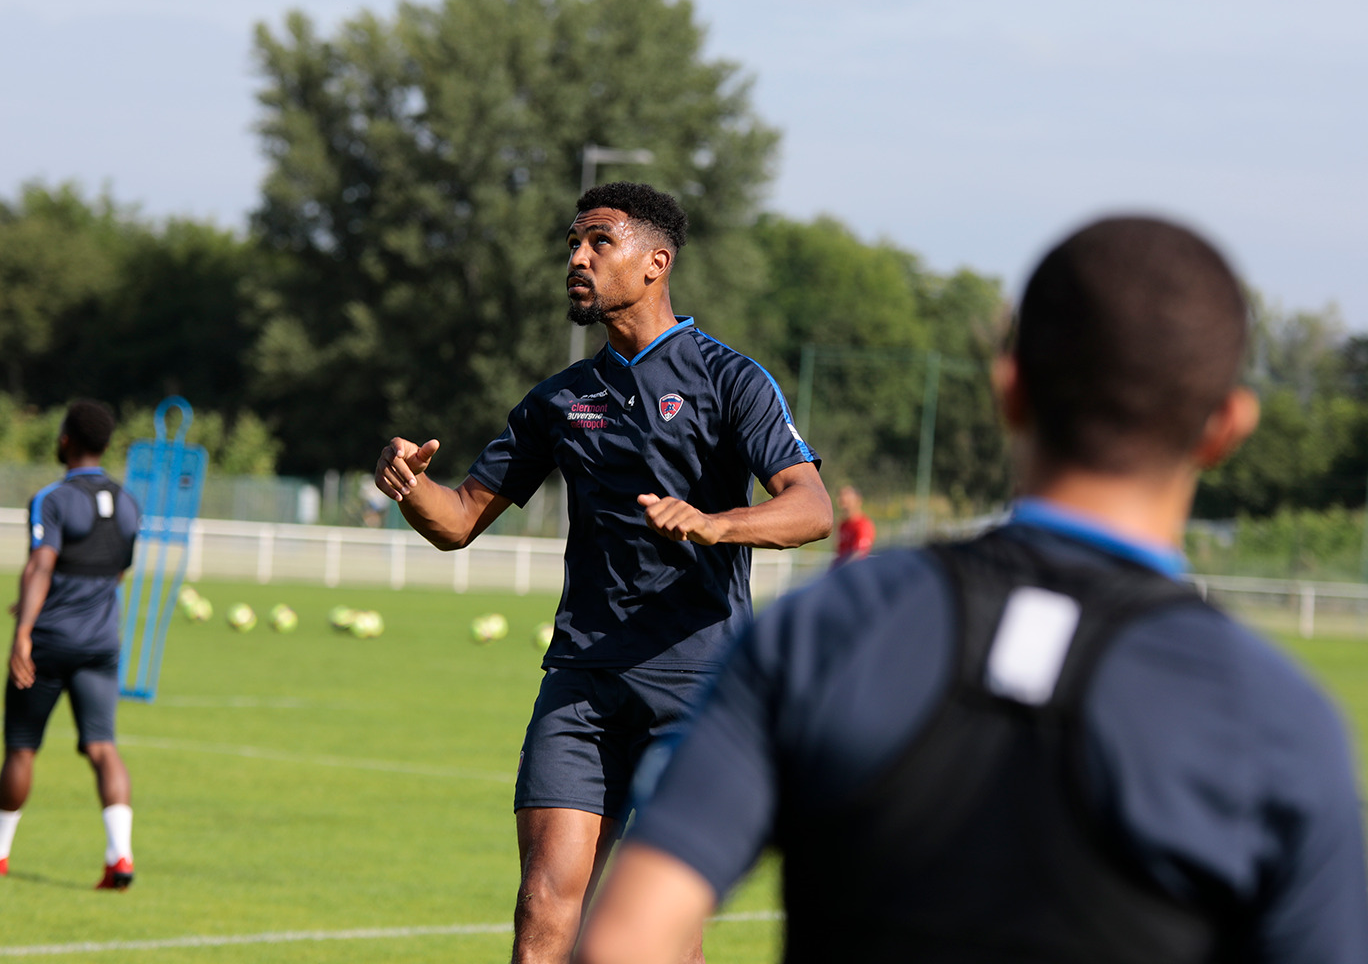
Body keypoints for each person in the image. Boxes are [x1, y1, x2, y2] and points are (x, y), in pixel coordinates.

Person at [578, 216, 1368, 964]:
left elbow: (628, 938)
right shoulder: (1278, 721)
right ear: (1225, 429)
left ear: (1009, 391)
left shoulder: (828, 629)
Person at [374, 182, 833, 964]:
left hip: (695, 687)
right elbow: (458, 523)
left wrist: (716, 522)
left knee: (652, 936)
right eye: (572, 244)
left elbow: (810, 507)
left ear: (655, 263)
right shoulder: (561, 400)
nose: (576, 259)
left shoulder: (731, 379)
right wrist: (411, 488)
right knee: (541, 918)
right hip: (581, 682)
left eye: (597, 242)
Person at [0, 399, 142, 890]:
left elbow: (41, 564)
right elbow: (116, 570)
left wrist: (23, 633)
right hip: (102, 641)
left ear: (65, 440)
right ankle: (120, 858)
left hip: (51, 642)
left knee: (22, 749)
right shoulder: (129, 501)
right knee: (103, 747)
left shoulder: (51, 498)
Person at [830, 484, 875, 567]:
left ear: (858, 500)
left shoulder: (863, 525)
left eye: (846, 499)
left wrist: (840, 571)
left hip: (853, 573)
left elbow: (859, 554)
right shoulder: (842, 525)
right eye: (840, 498)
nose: (841, 500)